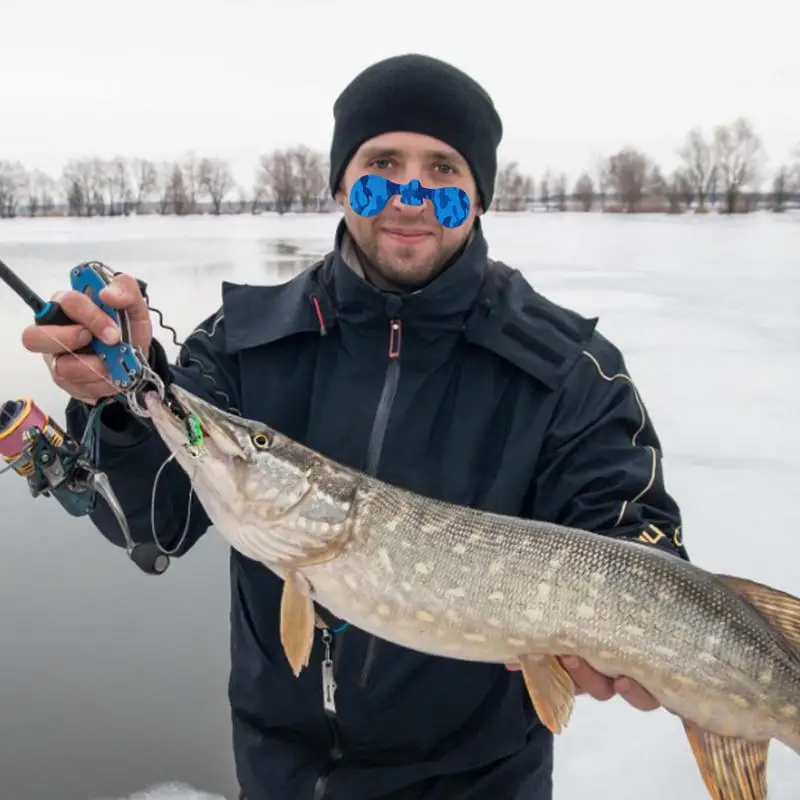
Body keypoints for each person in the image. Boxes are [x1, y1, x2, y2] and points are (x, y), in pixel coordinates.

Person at [21, 54, 687, 800]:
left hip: (481, 782)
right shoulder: (245, 340)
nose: (410, 195)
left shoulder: (568, 369)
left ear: (479, 195)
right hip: (281, 774)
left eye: (443, 170)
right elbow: (158, 522)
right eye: (381, 165)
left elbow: (633, 537)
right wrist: (123, 403)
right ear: (342, 184)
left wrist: (629, 629)